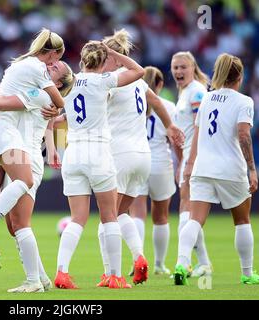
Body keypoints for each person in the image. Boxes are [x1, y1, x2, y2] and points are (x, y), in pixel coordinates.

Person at [96, 31, 185, 287]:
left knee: (107, 216)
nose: (101, 63)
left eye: (104, 57)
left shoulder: (111, 80)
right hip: (142, 156)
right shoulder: (137, 82)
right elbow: (157, 102)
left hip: (119, 155)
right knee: (122, 213)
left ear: (113, 57)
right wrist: (170, 126)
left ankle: (110, 273)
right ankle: (139, 258)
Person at [54, 40, 145, 290]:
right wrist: (114, 52)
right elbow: (139, 71)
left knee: (77, 219)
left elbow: (58, 117)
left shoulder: (69, 82)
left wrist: (54, 150)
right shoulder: (104, 81)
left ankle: (62, 272)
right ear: (103, 61)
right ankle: (114, 276)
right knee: (110, 217)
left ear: (82, 61)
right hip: (98, 153)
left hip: (73, 154)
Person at [0, 61, 75, 293]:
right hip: (20, 157)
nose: (48, 67)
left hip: (27, 160)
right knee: (15, 226)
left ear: (58, 83)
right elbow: (5, 97)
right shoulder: (42, 95)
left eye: (54, 70)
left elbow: (2, 99)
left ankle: (32, 280)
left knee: (21, 224)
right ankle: (41, 278)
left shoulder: (40, 95)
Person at [0, 28, 65, 263]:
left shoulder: (30, 78)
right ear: (51, 53)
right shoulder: (38, 84)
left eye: (57, 67)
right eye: (56, 60)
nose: (54, 65)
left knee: (0, 199)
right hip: (10, 139)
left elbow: (51, 124)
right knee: (17, 217)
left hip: (8, 139)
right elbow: (52, 113)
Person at [174, 53, 259, 285]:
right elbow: (244, 135)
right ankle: (247, 274)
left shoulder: (207, 98)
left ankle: (180, 263)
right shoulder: (244, 101)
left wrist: (190, 163)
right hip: (230, 169)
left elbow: (197, 132)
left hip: (203, 167)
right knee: (242, 220)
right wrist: (252, 170)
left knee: (195, 219)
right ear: (240, 76)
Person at [129, 66, 178, 276]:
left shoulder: (133, 103)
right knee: (161, 216)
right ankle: (159, 264)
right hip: (160, 163)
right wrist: (182, 164)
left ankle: (137, 260)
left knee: (137, 214)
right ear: (159, 85)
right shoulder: (168, 106)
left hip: (138, 159)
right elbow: (174, 139)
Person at [171, 51, 212, 277]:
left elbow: (201, 127)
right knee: (189, 210)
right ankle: (202, 263)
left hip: (194, 156)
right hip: (188, 155)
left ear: (192, 67)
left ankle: (183, 263)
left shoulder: (196, 91)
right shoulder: (186, 92)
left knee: (187, 208)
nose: (178, 71)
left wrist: (190, 160)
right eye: (175, 67)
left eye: (183, 67)